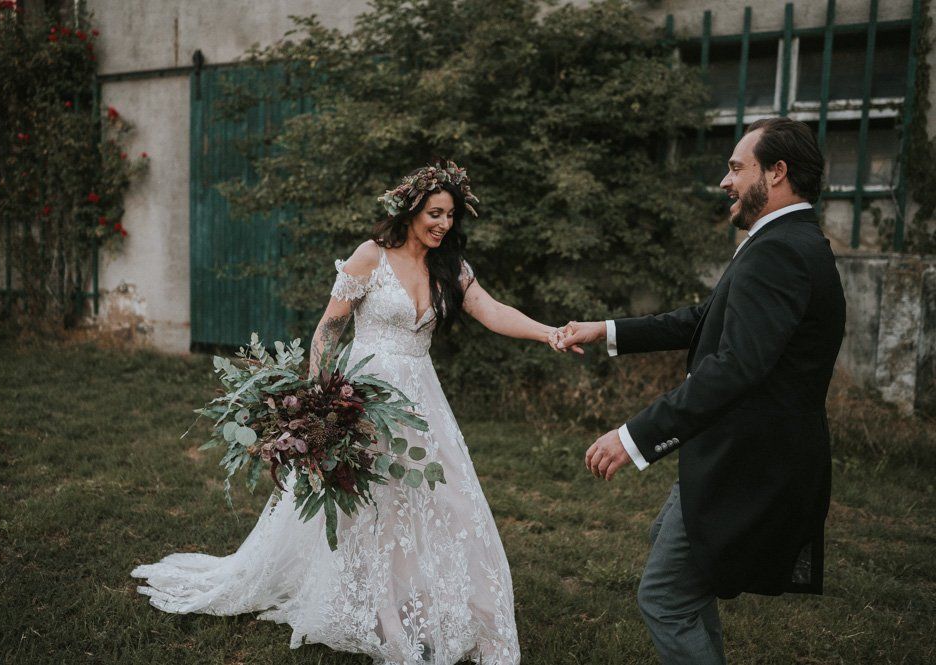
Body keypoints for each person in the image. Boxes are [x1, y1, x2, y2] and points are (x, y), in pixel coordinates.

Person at [132, 160, 563, 665]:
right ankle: (372, 601)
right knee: (368, 500)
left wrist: (548, 332)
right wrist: (317, 401)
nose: (444, 224)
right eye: (434, 213)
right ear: (410, 211)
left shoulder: (451, 269)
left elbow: (492, 311)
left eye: (450, 215)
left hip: (421, 400)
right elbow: (328, 330)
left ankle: (423, 601)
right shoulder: (371, 257)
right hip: (365, 394)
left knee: (439, 498)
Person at [558, 117, 846, 664]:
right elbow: (705, 318)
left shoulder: (780, 251)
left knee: (665, 597)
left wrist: (633, 436)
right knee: (673, 574)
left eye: (737, 167)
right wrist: (610, 330)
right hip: (733, 454)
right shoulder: (786, 240)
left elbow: (735, 367)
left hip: (749, 463)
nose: (724, 180)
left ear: (777, 173)